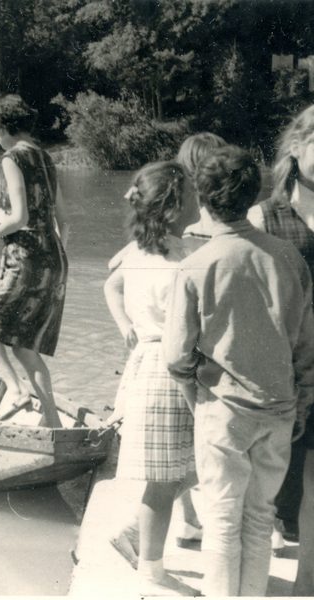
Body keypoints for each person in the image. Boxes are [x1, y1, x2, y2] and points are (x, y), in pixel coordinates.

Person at [163, 145, 314, 597]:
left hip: (224, 409)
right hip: (279, 408)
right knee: (259, 516)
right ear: (253, 195)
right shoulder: (288, 258)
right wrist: (301, 402)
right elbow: (305, 346)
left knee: (222, 520)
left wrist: (196, 399)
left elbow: (175, 356)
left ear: (203, 199)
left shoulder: (195, 266)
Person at [102, 162, 200, 594]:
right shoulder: (183, 259)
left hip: (151, 363)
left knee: (189, 468)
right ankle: (151, 573)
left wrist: (125, 322)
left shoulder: (138, 251)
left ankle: (138, 540)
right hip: (171, 367)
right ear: (175, 206)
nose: (202, 200)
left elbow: (114, 284)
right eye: (195, 194)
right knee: (166, 480)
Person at [0, 94, 68, 427]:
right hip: (55, 258)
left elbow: (20, 217)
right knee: (24, 344)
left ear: (0, 126)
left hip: (24, 257)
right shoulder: (46, 159)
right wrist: (49, 254)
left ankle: (17, 389)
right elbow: (63, 219)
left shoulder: (12, 158)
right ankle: (51, 421)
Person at [248, 104, 314, 593]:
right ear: (297, 148)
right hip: (283, 367)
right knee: (269, 481)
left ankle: (305, 585)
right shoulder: (264, 216)